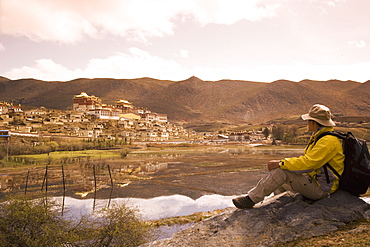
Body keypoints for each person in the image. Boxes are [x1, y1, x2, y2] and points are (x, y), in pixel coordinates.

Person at [232, 104, 345, 209]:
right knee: (280, 183)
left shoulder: (327, 141)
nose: (307, 124)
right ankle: (275, 208)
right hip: (317, 182)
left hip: (322, 189)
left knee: (281, 172)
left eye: (309, 121)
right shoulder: (323, 138)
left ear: (314, 122)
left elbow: (308, 164)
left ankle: (251, 199)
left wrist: (281, 163)